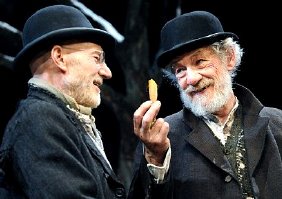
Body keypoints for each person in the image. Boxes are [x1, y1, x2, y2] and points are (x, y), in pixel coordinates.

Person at [129, 10, 282, 199]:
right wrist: (156, 159)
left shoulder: (278, 123)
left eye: (200, 62)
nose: (191, 79)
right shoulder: (162, 138)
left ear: (229, 57)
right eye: (180, 70)